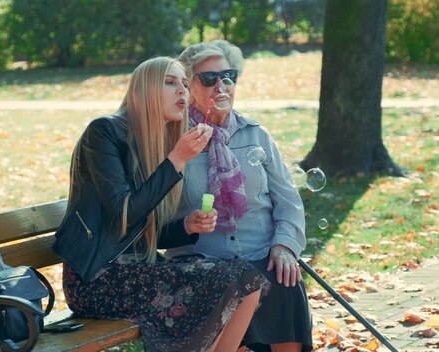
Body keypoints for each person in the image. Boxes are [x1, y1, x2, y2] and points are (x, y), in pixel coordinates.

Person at [52, 56, 270, 352]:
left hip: (138, 268)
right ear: (143, 90)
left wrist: (186, 226)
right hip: (98, 279)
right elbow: (125, 216)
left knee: (248, 281)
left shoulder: (155, 143)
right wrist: (177, 160)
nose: (182, 90)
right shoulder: (103, 133)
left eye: (183, 83)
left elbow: (145, 231)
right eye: (170, 82)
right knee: (221, 280)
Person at [175, 41, 313, 351]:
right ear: (189, 86)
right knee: (232, 286)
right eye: (209, 78)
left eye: (229, 76)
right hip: (206, 265)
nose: (221, 85)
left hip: (263, 256)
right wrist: (188, 221)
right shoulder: (178, 141)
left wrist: (284, 247)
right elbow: (160, 216)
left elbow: (288, 201)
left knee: (284, 279)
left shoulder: (256, 135)